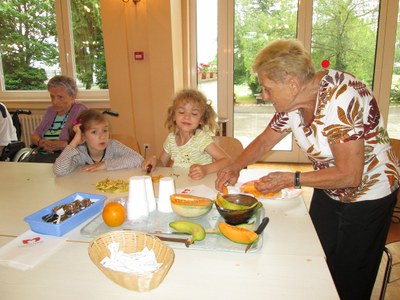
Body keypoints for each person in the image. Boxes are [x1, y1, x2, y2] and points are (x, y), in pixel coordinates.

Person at [215, 39, 400, 299]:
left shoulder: (341, 98)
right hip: (330, 188)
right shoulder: (294, 102)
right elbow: (266, 139)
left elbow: (350, 175)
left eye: (267, 88)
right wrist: (236, 165)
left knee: (350, 278)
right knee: (315, 258)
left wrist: (292, 178)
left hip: (368, 194)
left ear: (292, 83)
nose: (264, 95)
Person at [141, 88, 231, 180]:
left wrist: (205, 169)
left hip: (201, 186)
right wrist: (154, 161)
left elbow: (227, 161)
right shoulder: (171, 139)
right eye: (181, 112)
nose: (187, 117)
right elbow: (162, 163)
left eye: (194, 113)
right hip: (180, 186)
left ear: (201, 119)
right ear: (173, 116)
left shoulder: (201, 139)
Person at [53, 109, 144, 176]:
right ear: (83, 136)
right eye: (94, 132)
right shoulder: (79, 152)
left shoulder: (112, 146)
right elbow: (59, 171)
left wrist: (105, 164)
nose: (102, 136)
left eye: (105, 130)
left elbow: (138, 159)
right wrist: (75, 141)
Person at [29, 75, 88, 163]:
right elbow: (34, 135)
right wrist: (41, 142)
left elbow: (87, 139)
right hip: (41, 156)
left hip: (65, 159)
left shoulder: (80, 110)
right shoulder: (50, 111)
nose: (54, 102)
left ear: (72, 96)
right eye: (52, 96)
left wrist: (65, 145)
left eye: (60, 97)